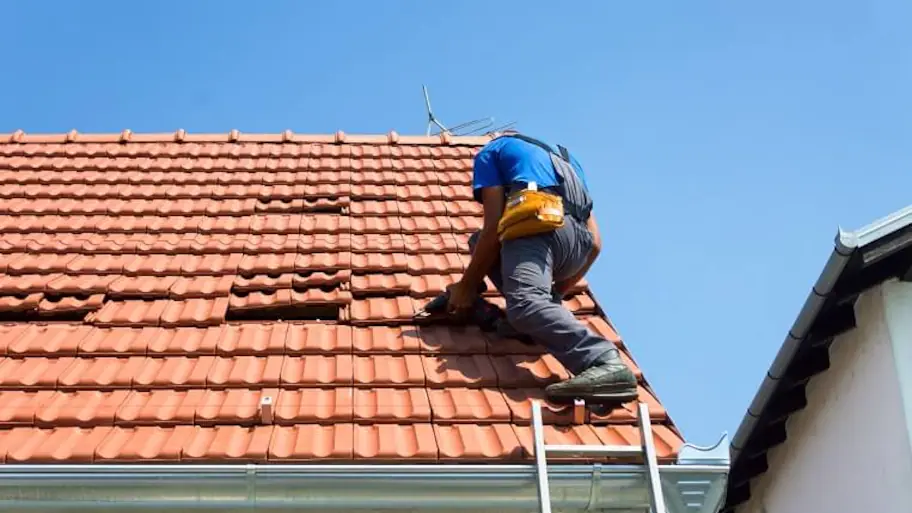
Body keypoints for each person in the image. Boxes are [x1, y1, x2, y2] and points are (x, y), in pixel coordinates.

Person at [445, 131, 638, 403]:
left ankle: (603, 362)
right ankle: (536, 321)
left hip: (537, 226)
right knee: (480, 245)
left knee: (523, 303)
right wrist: (555, 295)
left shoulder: (490, 153)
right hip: (576, 247)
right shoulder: (567, 161)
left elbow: (492, 231)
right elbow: (596, 244)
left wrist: (465, 288)